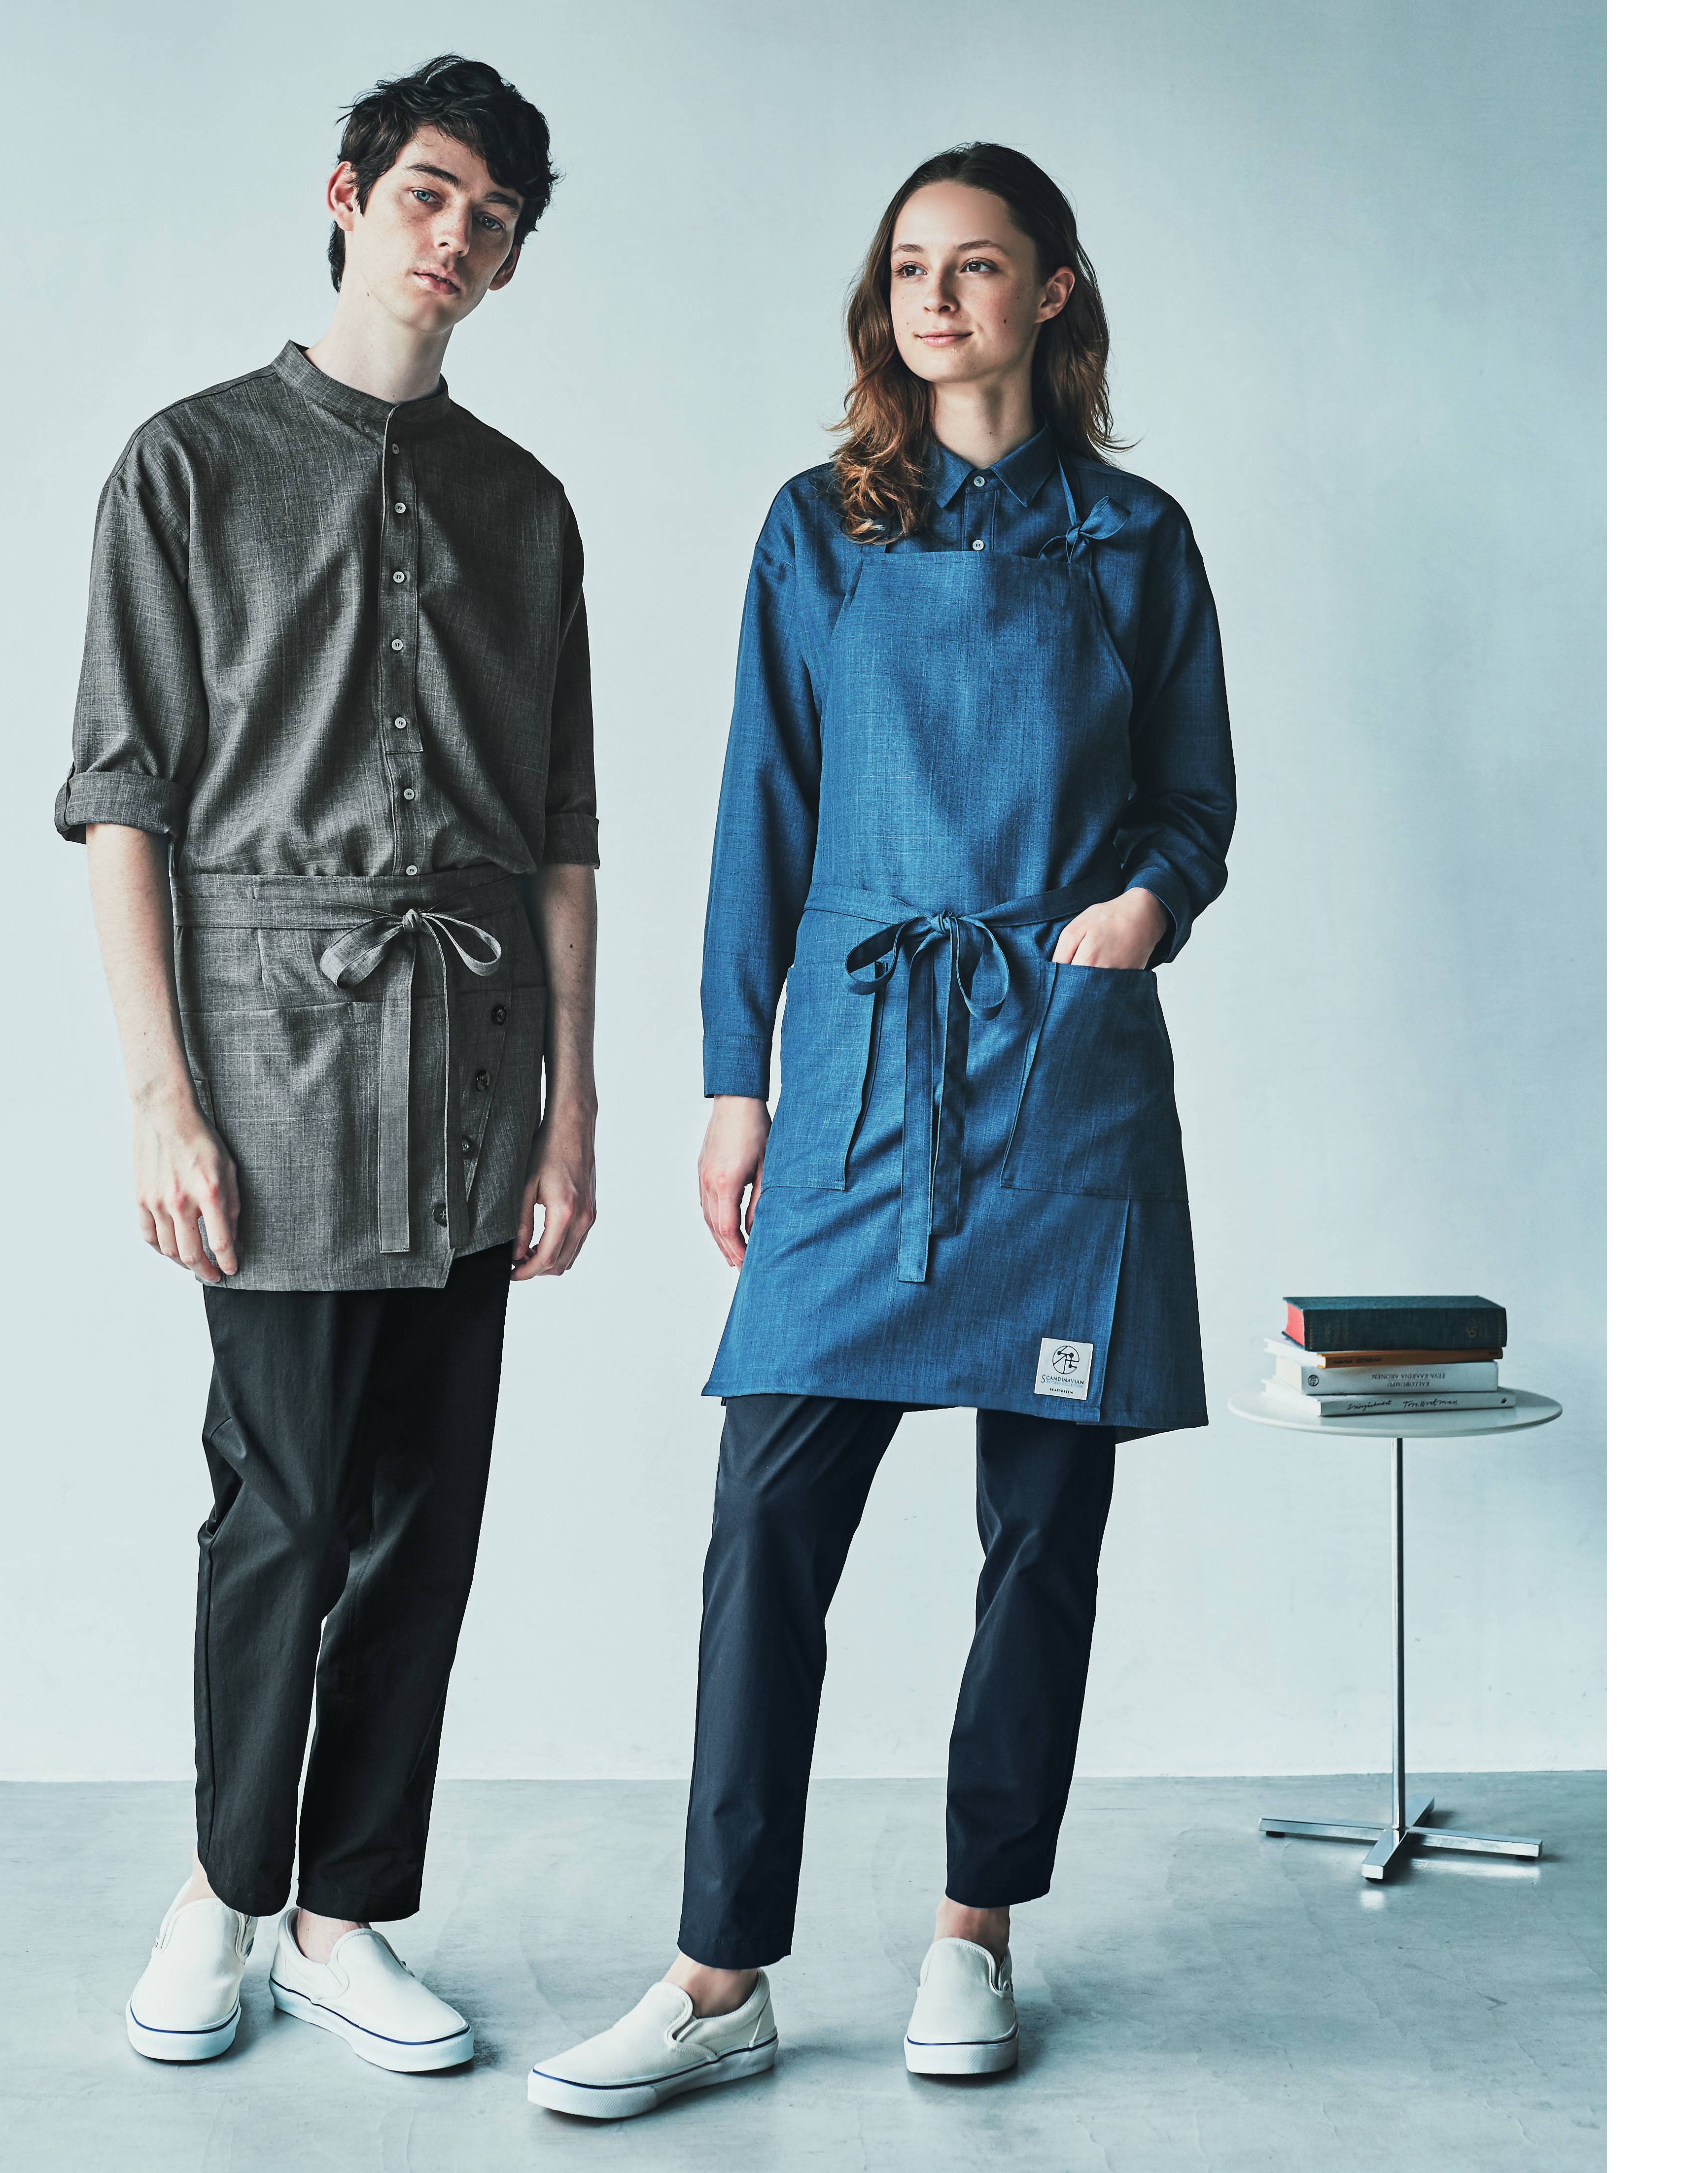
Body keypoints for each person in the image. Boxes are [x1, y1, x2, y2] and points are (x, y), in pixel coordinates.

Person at [529, 141, 1234, 2119]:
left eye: (975, 264)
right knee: (766, 1521)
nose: (934, 295)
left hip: (1057, 1067)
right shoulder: (815, 527)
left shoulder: (1134, 539)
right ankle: (716, 1970)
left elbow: (1190, 798)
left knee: (1042, 1535)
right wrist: (731, 1079)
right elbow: (758, 807)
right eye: (910, 264)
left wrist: (1140, 906)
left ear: (1050, 292)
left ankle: (971, 1928)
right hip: (856, 1065)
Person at [56, 54, 599, 2073]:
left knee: (420, 1512)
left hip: (470, 1063)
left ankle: (346, 1908)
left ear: (511, 260)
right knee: (279, 1501)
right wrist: (158, 1093)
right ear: (349, 194)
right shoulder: (186, 466)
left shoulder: (524, 508)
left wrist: (572, 1106)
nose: (455, 238)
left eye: (493, 220)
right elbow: (123, 798)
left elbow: (559, 831)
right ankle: (221, 1888)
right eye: (430, 194)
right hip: (271, 1058)